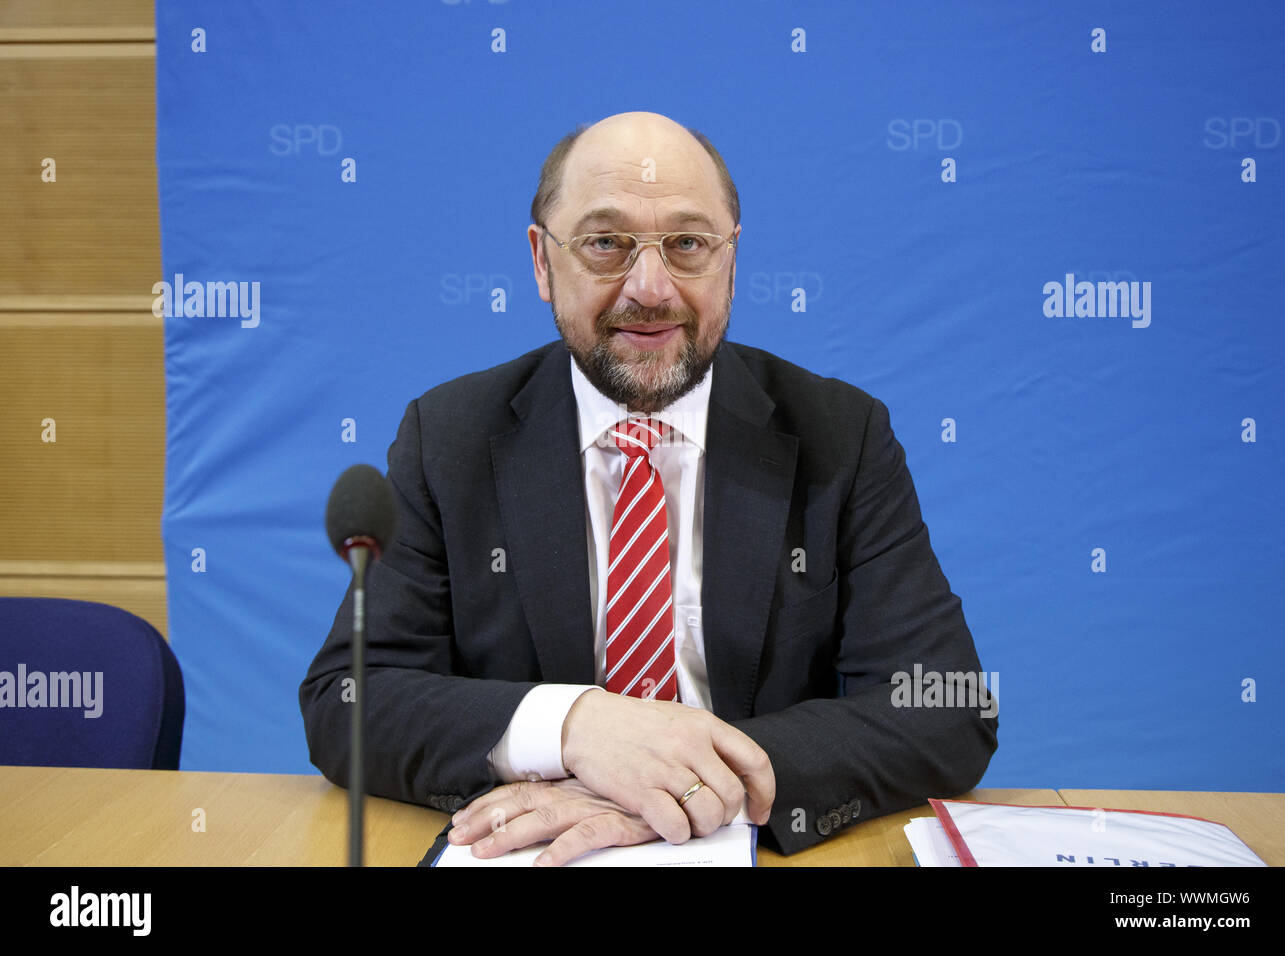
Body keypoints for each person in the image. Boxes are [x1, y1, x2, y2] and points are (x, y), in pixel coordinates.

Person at [299, 111, 997, 865]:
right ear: (541, 262)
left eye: (688, 245)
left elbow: (945, 705)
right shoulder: (450, 437)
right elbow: (349, 698)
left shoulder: (841, 436)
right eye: (606, 243)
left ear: (732, 261)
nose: (651, 288)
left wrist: (679, 781)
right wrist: (578, 728)